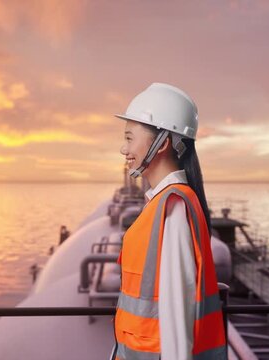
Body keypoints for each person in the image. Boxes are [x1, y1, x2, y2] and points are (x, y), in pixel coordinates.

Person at [111, 83, 227, 360]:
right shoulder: (166, 204)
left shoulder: (173, 209)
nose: (123, 148)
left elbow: (177, 320)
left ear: (162, 143)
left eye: (129, 138)